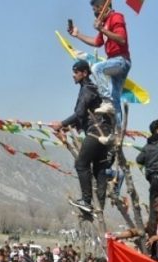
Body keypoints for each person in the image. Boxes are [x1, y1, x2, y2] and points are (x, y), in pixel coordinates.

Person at [55, 60, 113, 215]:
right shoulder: (92, 88)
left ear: (84, 73)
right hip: (105, 132)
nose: (73, 75)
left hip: (96, 131)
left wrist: (61, 123)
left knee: (81, 164)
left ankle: (87, 201)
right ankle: (99, 206)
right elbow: (85, 115)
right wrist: (69, 126)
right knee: (100, 168)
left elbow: (80, 113)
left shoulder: (87, 89)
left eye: (76, 72)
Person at [69, 0, 131, 126]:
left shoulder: (116, 17)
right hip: (113, 62)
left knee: (97, 68)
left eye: (95, 9)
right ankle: (117, 132)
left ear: (102, 7)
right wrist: (77, 35)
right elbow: (96, 42)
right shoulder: (105, 23)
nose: (94, 12)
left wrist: (102, 29)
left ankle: (106, 102)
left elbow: (122, 39)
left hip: (120, 60)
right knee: (115, 100)